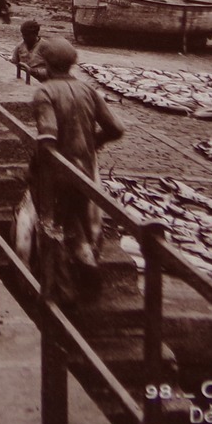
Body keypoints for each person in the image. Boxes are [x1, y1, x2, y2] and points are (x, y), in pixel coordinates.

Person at [29, 36, 125, 301]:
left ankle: (60, 290)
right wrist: (94, 142)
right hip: (85, 171)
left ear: (46, 65)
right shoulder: (88, 90)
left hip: (57, 172)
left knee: (51, 224)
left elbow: (48, 135)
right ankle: (88, 265)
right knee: (77, 222)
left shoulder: (44, 92)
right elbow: (116, 128)